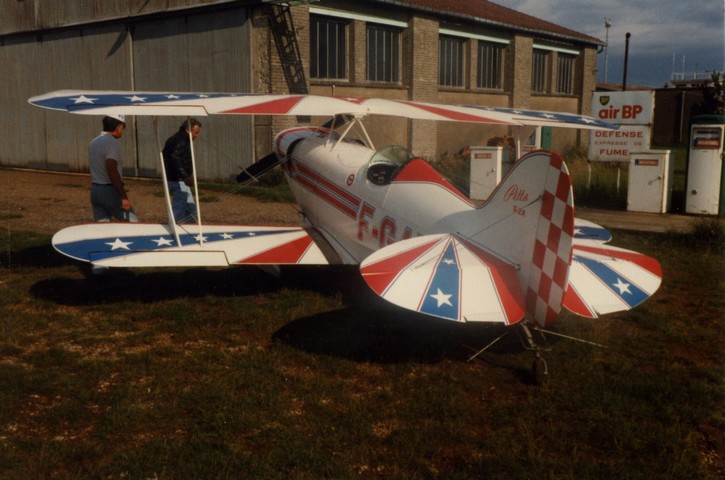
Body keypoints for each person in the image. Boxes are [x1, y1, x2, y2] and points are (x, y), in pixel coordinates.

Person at [89, 115, 138, 223]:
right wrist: (123, 196)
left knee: (102, 228)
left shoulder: (93, 142)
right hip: (109, 190)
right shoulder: (112, 142)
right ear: (118, 127)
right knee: (133, 223)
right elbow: (111, 168)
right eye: (123, 127)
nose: (123, 130)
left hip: (95, 190)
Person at [162, 118, 202, 224]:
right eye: (196, 133)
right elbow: (175, 157)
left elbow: (165, 155)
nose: (197, 136)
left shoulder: (172, 138)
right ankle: (172, 232)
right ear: (188, 130)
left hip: (174, 179)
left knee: (191, 211)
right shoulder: (183, 141)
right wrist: (185, 176)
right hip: (179, 181)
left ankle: (191, 230)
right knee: (178, 211)